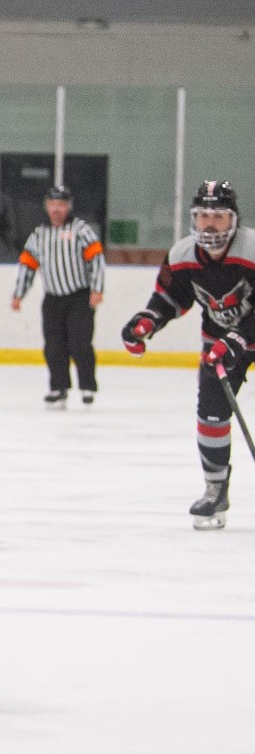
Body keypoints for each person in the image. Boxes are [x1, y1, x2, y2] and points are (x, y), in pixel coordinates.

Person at [122, 180, 255, 530]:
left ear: (234, 220)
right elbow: (170, 299)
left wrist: (239, 337)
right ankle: (216, 488)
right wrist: (145, 322)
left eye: (219, 217)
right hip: (219, 344)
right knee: (211, 413)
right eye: (203, 216)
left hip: (239, 337)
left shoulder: (252, 250)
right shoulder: (181, 255)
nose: (210, 225)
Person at [11, 185, 105, 408]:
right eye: (53, 204)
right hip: (52, 299)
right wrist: (18, 294)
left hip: (79, 297)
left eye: (61, 204)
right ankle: (58, 387)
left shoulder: (81, 230)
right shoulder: (39, 235)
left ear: (68, 206)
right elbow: (28, 265)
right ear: (46, 205)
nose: (57, 209)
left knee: (80, 343)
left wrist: (97, 289)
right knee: (53, 345)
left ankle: (87, 387)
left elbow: (97, 259)